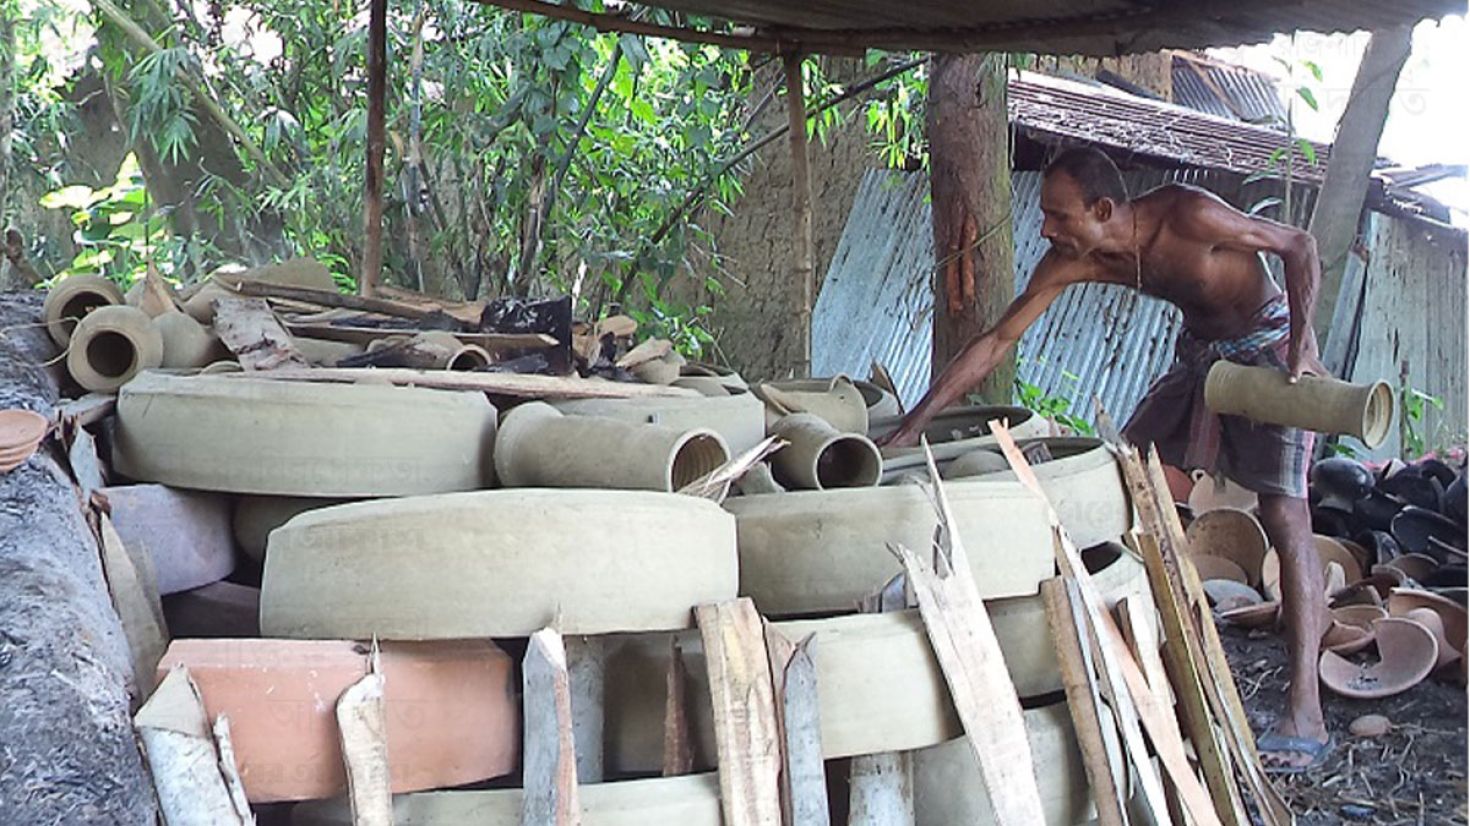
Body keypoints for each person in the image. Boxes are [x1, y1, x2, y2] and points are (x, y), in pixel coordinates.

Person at [882, 146, 1331, 772]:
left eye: (1058, 216)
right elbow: (995, 342)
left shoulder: (1190, 216)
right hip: (1205, 355)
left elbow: (1299, 244)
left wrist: (1304, 344)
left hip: (1270, 345)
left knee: (1285, 517)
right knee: (1121, 470)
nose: (1046, 229)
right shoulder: (1077, 259)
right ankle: (1135, 664)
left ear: (1102, 209)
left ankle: (1305, 710)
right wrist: (909, 429)